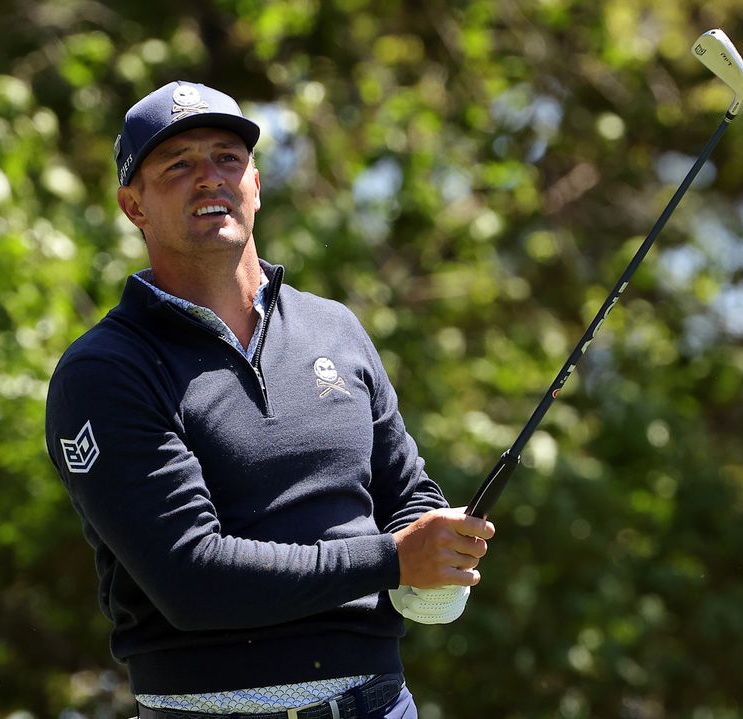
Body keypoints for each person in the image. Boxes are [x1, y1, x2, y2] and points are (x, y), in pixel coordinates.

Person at [44, 81, 495, 719]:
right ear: (132, 205)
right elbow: (193, 580)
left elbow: (406, 495)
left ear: (255, 181)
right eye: (178, 165)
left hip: (378, 703)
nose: (209, 178)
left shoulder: (334, 327)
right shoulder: (104, 371)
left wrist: (440, 552)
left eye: (227, 158)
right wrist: (394, 560)